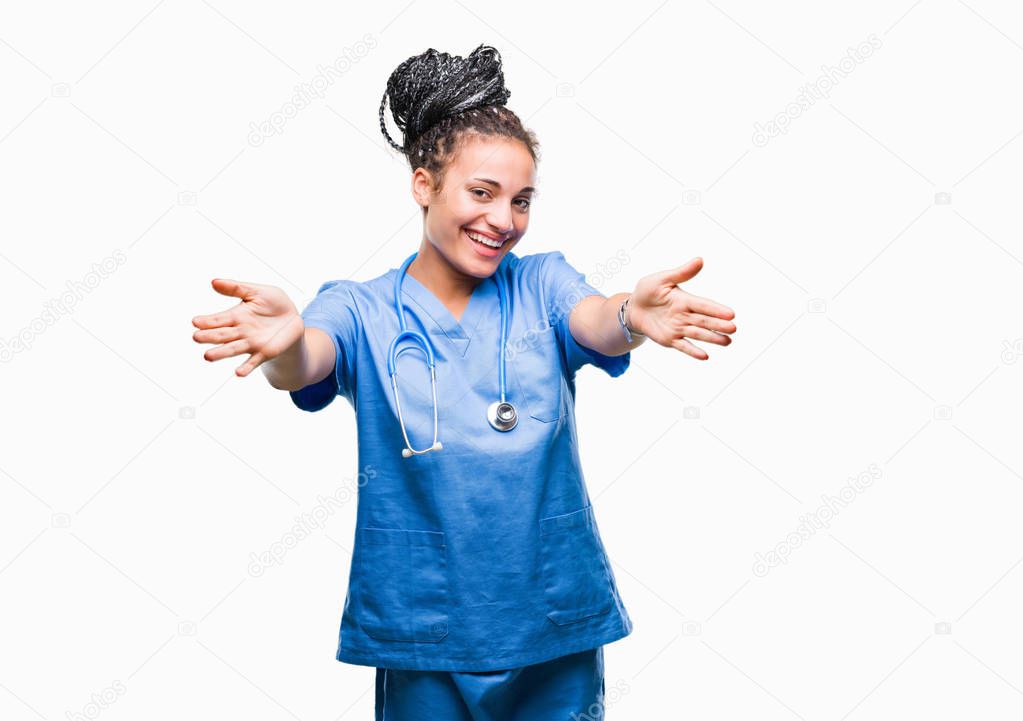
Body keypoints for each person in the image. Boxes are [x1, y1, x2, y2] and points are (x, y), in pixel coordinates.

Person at [192, 44, 736, 721]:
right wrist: (285, 342)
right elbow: (308, 360)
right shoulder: (361, 308)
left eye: (521, 200)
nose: (503, 220)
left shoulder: (542, 283)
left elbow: (595, 321)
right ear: (423, 184)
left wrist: (631, 314)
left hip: (550, 614)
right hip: (425, 624)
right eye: (481, 193)